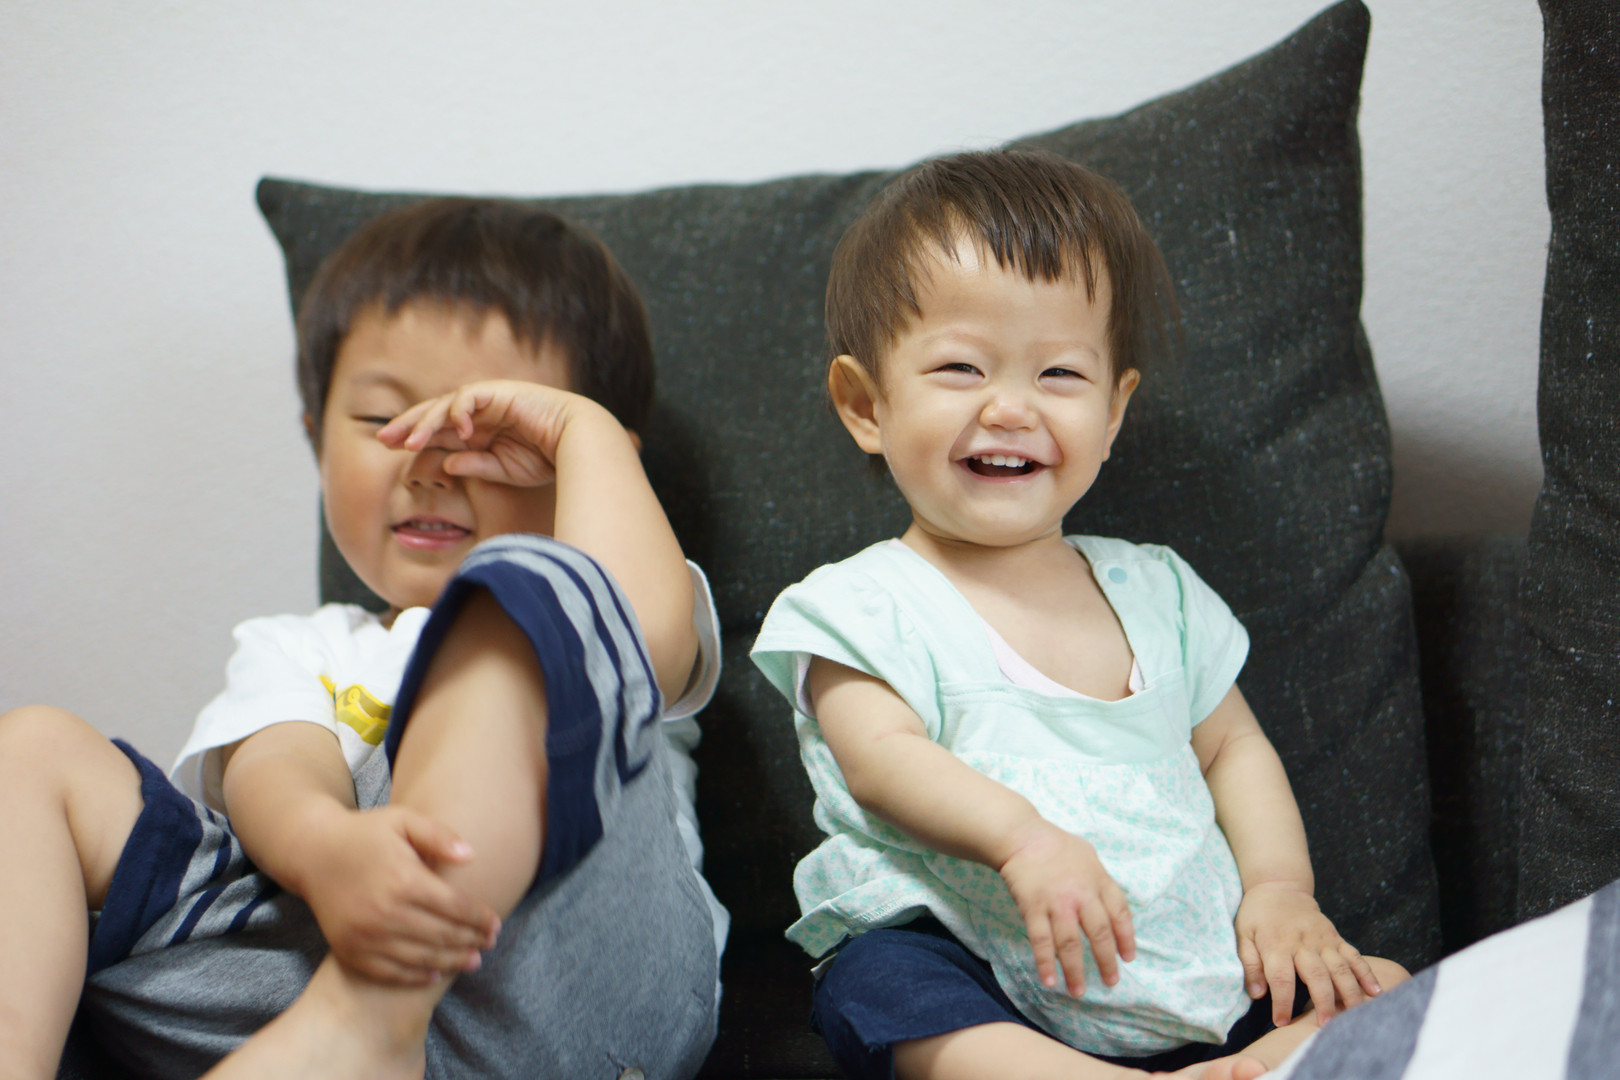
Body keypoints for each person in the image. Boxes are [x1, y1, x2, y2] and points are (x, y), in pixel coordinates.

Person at [0, 197, 727, 1080]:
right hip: (292, 975)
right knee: (31, 748)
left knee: (532, 587)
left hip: (565, 990)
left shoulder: (613, 585)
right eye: (384, 419)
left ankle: (373, 1011)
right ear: (316, 440)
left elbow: (638, 635)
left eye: (493, 429)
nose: (429, 461)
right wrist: (326, 849)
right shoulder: (301, 646)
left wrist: (588, 436)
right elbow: (277, 766)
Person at [750, 149, 1407, 1080]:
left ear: (1113, 411)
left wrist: (1279, 891)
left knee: (1384, 987)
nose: (1011, 408)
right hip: (972, 952)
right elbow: (881, 760)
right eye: (961, 367)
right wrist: (1023, 841)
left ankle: (1240, 1059)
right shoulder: (861, 606)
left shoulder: (1161, 593)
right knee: (878, 985)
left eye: (1059, 373)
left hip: (1178, 957)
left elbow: (1233, 748)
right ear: (865, 405)